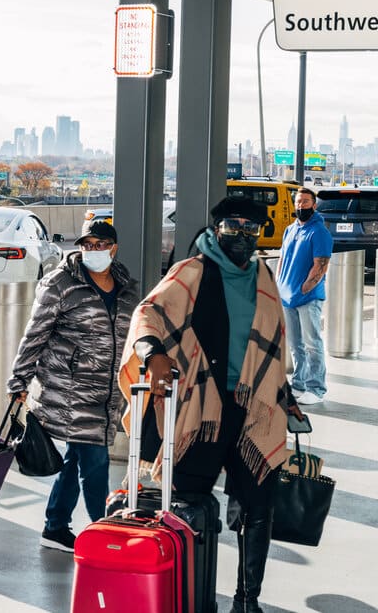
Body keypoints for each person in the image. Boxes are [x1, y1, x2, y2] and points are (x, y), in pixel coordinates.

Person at [120, 196, 301, 613]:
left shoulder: (263, 275)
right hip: (203, 408)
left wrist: (284, 394)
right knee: (189, 503)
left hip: (252, 408)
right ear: (217, 228)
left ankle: (246, 600)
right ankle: (189, 594)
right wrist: (152, 354)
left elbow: (272, 348)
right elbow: (149, 312)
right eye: (233, 226)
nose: (242, 236)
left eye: (251, 229)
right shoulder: (194, 271)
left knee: (258, 506)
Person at [7, 220, 139, 553]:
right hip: (70, 389)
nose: (93, 250)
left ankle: (54, 526)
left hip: (106, 391)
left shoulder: (127, 289)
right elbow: (35, 334)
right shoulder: (61, 284)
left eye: (100, 244)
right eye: (87, 244)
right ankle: (103, 534)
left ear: (114, 248)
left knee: (77, 459)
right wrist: (19, 379)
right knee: (95, 462)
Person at [276, 187, 332, 404]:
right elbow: (282, 258)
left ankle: (316, 388)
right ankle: (299, 384)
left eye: (306, 202)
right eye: (298, 202)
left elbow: (321, 265)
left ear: (314, 205)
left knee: (312, 343)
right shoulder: (290, 230)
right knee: (295, 344)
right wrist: (280, 285)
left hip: (308, 298)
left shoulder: (319, 232)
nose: (301, 206)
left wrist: (305, 289)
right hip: (287, 297)